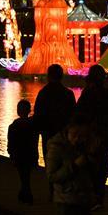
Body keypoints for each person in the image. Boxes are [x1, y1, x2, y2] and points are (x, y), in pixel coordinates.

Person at [75, 64, 108, 209]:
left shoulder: (89, 92)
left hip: (91, 136)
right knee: (102, 170)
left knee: (90, 167)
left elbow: (80, 113)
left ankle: (92, 197)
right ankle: (99, 198)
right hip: (105, 136)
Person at [34, 64, 76, 198]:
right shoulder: (68, 94)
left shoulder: (43, 93)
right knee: (65, 162)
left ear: (48, 76)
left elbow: (38, 114)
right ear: (61, 76)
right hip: (64, 134)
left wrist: (39, 130)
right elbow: (73, 115)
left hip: (48, 133)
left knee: (50, 163)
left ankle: (52, 191)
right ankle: (64, 190)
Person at [7, 99, 39, 204]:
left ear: (18, 111)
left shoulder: (13, 126)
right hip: (30, 154)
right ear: (29, 110)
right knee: (27, 174)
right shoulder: (33, 125)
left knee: (23, 174)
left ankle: (25, 192)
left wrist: (11, 154)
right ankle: (25, 192)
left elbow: (11, 143)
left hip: (19, 155)